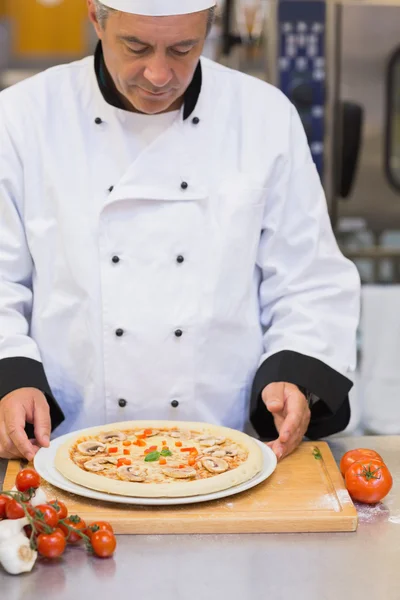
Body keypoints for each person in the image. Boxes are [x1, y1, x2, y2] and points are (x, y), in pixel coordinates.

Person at [0, 0, 360, 464]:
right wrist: (10, 374)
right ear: (96, 18)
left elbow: (308, 278)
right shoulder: (21, 118)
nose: (158, 74)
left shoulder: (263, 116)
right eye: (137, 46)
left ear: (208, 30)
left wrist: (295, 373)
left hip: (230, 449)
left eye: (183, 49)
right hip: (64, 445)